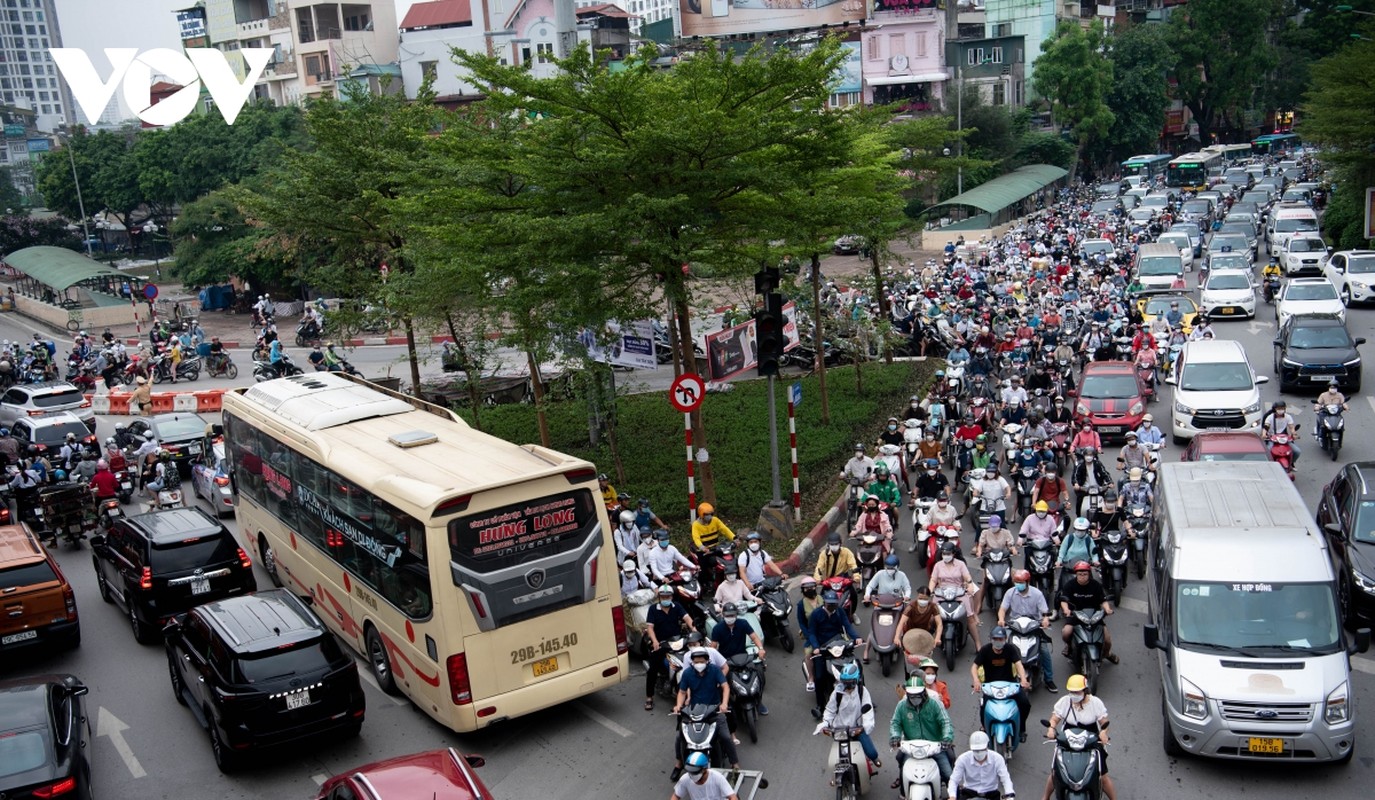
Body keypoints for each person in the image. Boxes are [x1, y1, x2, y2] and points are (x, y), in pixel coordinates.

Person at [1040, 674, 1116, 800]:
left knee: (1102, 776)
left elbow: (1104, 723)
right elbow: (1054, 719)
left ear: (1085, 690)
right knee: (1055, 773)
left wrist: (1103, 733)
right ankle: (1045, 797)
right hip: (1067, 743)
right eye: (1071, 692)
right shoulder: (1065, 701)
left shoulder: (1095, 703)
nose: (1074, 694)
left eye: (1077, 692)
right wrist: (1051, 729)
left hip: (1091, 744)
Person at [671, 648, 741, 778]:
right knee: (679, 737)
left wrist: (724, 704)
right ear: (692, 662)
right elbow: (682, 692)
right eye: (696, 662)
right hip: (694, 711)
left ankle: (735, 765)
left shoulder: (714, 670)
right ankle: (679, 763)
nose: (699, 664)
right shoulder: (687, 673)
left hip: (714, 710)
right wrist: (678, 706)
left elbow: (725, 687)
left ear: (707, 661)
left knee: (726, 737)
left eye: (701, 661)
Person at [889, 678, 955, 790]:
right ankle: (904, 793)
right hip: (912, 748)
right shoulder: (901, 706)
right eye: (912, 695)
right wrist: (895, 737)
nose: (915, 698)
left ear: (924, 693)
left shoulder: (935, 704)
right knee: (902, 766)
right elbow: (895, 723)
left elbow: (946, 722)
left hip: (935, 746)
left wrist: (947, 737)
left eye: (918, 695)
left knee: (949, 775)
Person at [970, 626, 1033, 742]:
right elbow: (974, 667)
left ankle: (1021, 728)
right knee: (984, 707)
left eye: (1001, 639)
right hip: (990, 686)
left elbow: (1019, 664)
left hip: (1010, 684)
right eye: (996, 639)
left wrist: (1023, 679)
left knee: (1025, 703)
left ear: (1005, 639)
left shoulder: (1010, 649)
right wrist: (976, 680)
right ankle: (985, 727)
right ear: (991, 639)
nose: (998, 642)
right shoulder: (985, 650)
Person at [998, 569, 1057, 693]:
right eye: (1016, 582)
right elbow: (1002, 609)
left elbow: (1044, 612)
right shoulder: (1010, 592)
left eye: (1021, 582)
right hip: (1015, 625)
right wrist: (1001, 619)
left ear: (1027, 582)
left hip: (1033, 625)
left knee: (1044, 650)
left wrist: (1045, 620)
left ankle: (1049, 679)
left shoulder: (1037, 594)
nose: (1018, 584)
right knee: (1002, 648)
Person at [817, 663, 880, 772]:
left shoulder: (862, 691)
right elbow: (830, 710)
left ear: (856, 681)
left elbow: (868, 711)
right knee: (835, 758)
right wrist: (825, 723)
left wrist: (866, 726)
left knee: (871, 753)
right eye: (845, 683)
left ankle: (874, 759)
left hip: (857, 729)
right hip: (840, 730)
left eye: (850, 683)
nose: (847, 687)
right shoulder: (837, 693)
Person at [709, 603, 767, 715]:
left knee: (759, 675)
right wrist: (714, 662)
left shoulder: (743, 624)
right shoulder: (717, 629)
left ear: (736, 615)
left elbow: (754, 637)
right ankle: (724, 703)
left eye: (732, 615)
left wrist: (760, 649)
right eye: (727, 615)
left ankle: (758, 701)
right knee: (719, 682)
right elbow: (713, 647)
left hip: (743, 658)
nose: (730, 618)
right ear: (722, 615)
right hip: (726, 660)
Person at [806, 590, 863, 705]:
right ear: (825, 603)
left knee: (857, 667)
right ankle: (820, 705)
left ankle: (863, 697)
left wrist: (857, 637)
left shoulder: (840, 612)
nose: (832, 606)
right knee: (819, 676)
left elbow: (847, 626)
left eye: (834, 604)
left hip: (838, 644)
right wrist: (816, 647)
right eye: (829, 604)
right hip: (822, 648)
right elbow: (811, 633)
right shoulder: (816, 614)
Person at [645, 585, 695, 712]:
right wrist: (655, 641)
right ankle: (649, 697)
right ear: (659, 597)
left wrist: (694, 631)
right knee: (652, 670)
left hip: (677, 641)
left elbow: (687, 618)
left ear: (672, 597)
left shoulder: (676, 606)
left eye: (668, 597)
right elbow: (650, 628)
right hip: (661, 643)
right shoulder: (653, 609)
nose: (665, 599)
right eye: (663, 597)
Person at [1059, 562, 1117, 665]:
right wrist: (1066, 610)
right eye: (1080, 574)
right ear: (1076, 574)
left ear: (1089, 574)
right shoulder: (1070, 585)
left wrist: (1107, 609)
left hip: (1094, 615)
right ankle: (1069, 646)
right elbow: (1064, 600)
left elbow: (1103, 600)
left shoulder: (1096, 585)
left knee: (1107, 639)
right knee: (1066, 632)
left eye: (1085, 574)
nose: (1082, 577)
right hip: (1075, 615)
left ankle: (1107, 654)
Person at [930, 541, 982, 650]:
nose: (946, 556)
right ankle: (930, 640)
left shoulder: (960, 564)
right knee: (931, 615)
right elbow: (933, 579)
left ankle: (978, 644)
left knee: (970, 618)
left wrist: (970, 585)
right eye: (944, 553)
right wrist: (930, 590)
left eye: (948, 554)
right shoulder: (938, 565)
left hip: (959, 592)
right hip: (941, 593)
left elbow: (967, 577)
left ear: (953, 554)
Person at [948, 731, 1015, 800]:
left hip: (991, 794)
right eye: (976, 750)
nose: (979, 753)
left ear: (987, 746)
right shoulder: (963, 759)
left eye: (982, 749)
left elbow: (1005, 778)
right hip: (969, 794)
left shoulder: (997, 758)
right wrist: (952, 796)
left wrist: (1009, 795)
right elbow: (954, 780)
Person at [814, 532, 860, 612]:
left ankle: (852, 614)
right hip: (829, 581)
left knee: (853, 595)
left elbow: (853, 565)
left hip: (843, 580)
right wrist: (817, 578)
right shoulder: (824, 554)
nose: (834, 546)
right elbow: (819, 567)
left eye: (836, 544)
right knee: (820, 599)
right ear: (828, 545)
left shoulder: (847, 552)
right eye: (832, 544)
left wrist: (856, 576)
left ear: (840, 543)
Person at [691, 502, 735, 583]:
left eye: (711, 514)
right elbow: (696, 538)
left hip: (716, 549)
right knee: (703, 568)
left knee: (728, 560)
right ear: (701, 514)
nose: (709, 516)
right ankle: (704, 583)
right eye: (706, 514)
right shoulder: (696, 525)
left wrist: (734, 538)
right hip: (704, 552)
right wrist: (702, 547)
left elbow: (724, 529)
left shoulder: (715, 520)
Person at [894, 586, 943, 654]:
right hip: (910, 632)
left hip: (925, 633)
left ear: (929, 598)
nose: (922, 600)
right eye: (920, 598)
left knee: (925, 654)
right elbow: (901, 623)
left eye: (925, 599)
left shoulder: (933, 606)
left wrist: (938, 637)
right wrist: (897, 637)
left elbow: (939, 623)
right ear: (917, 597)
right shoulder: (910, 607)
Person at [670, 751, 739, 800]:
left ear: (704, 769)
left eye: (695, 772)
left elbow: (732, 797)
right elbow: (676, 796)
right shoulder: (685, 779)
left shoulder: (717, 778)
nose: (692, 775)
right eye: (690, 772)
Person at [796, 577, 824, 691]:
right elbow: (802, 623)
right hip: (810, 634)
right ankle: (811, 678)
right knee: (808, 654)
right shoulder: (801, 604)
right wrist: (810, 637)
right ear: (803, 590)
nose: (810, 589)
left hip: (825, 632)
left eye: (812, 587)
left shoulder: (822, 599)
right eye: (807, 588)